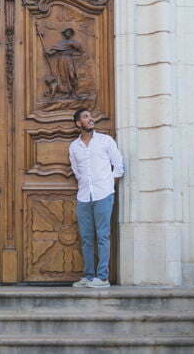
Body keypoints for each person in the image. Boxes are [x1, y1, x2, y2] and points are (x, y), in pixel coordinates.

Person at [68, 108, 124, 288]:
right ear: (78, 123)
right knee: (86, 237)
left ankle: (103, 277)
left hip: (103, 194)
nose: (90, 119)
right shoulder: (74, 146)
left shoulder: (105, 141)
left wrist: (108, 185)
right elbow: (77, 171)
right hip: (84, 195)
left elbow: (119, 166)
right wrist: (86, 184)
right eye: (85, 117)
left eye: (90, 116)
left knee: (103, 236)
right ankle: (89, 276)